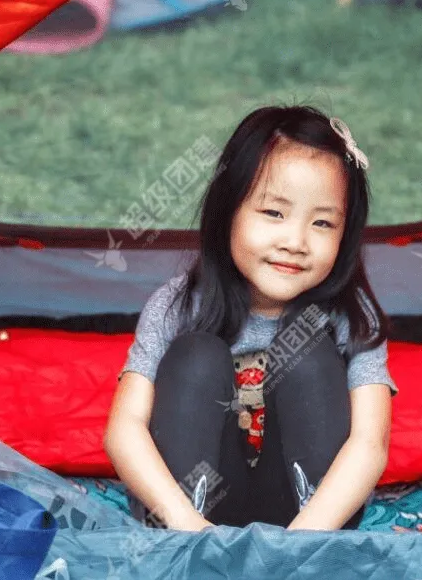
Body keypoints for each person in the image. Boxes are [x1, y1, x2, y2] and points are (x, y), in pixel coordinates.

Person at [104, 105, 398, 532]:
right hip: (192, 523)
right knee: (196, 355)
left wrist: (300, 543)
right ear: (228, 210)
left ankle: (309, 545)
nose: (295, 241)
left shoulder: (350, 315)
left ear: (346, 234)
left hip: (310, 525)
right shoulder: (177, 305)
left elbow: (370, 444)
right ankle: (187, 544)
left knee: (306, 350)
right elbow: (124, 429)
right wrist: (187, 525)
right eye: (274, 213)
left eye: (322, 222)